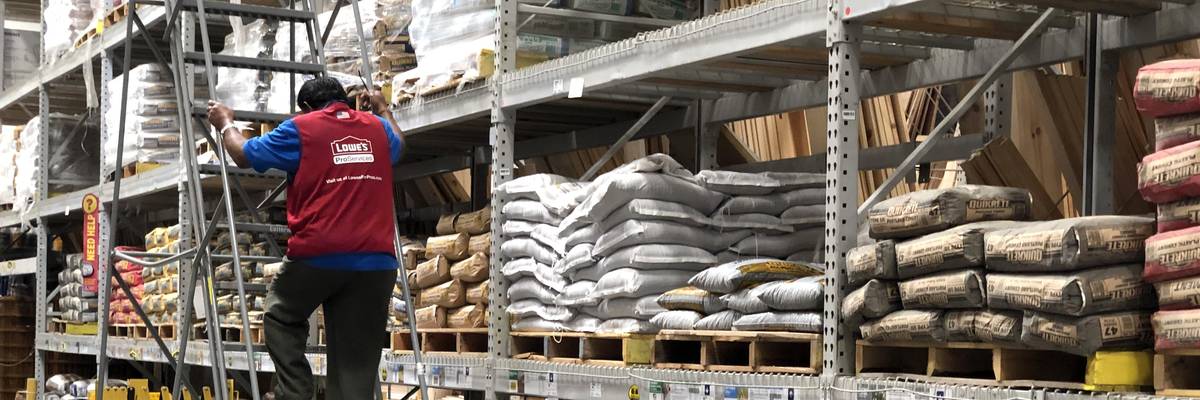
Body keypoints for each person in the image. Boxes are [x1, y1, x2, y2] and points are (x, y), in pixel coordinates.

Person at [207, 76, 404, 400]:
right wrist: (384, 109)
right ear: (343, 99)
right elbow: (400, 145)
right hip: (376, 263)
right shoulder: (377, 128)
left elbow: (243, 154)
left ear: (308, 108)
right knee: (356, 364)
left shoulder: (302, 128)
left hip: (318, 257)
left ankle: (295, 392)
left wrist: (226, 122)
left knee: (281, 315)